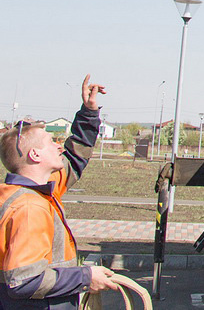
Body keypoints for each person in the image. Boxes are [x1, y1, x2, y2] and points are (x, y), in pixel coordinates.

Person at [0, 76, 117, 308]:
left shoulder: (37, 190)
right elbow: (24, 281)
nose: (59, 145)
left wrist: (89, 111)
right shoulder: (29, 207)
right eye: (51, 142)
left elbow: (74, 157)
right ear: (35, 155)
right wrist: (85, 277)